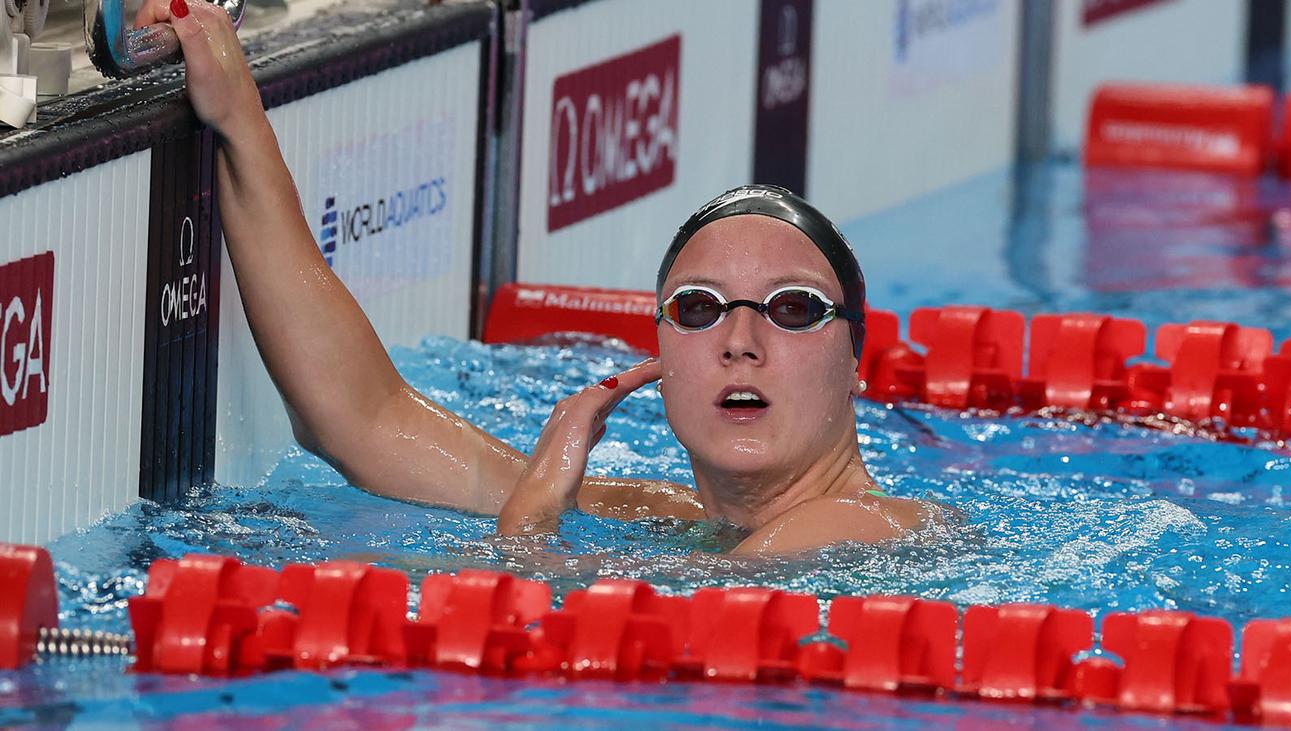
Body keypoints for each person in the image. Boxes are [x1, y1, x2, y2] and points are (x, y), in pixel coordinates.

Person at [147, 0, 933, 555]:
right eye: (699, 308)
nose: (740, 340)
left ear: (856, 360)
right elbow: (364, 421)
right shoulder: (664, 520)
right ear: (661, 354)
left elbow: (626, 613)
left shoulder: (868, 525)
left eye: (792, 308)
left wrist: (528, 520)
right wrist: (238, 115)